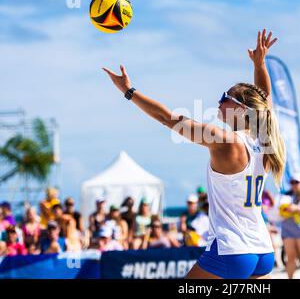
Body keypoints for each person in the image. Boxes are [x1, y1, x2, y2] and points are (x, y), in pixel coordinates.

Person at [103, 29, 284, 279]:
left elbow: (167, 118)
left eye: (226, 97)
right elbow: (266, 102)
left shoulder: (225, 141)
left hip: (232, 250)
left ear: (242, 110)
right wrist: (260, 65)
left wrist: (129, 91)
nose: (219, 102)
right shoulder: (263, 140)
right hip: (263, 251)